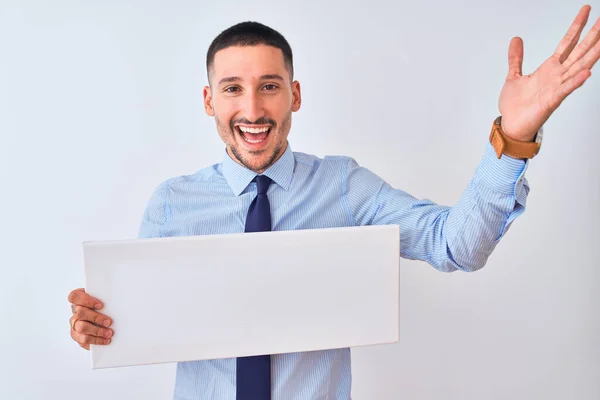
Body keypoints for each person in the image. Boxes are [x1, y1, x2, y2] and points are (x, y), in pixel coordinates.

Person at [68, 5, 600, 399]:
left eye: (269, 86)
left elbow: (455, 245)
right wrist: (94, 324)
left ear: (294, 95)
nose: (252, 108)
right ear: (209, 100)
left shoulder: (343, 187)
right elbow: (140, 323)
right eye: (232, 88)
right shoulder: (170, 205)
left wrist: (513, 135)